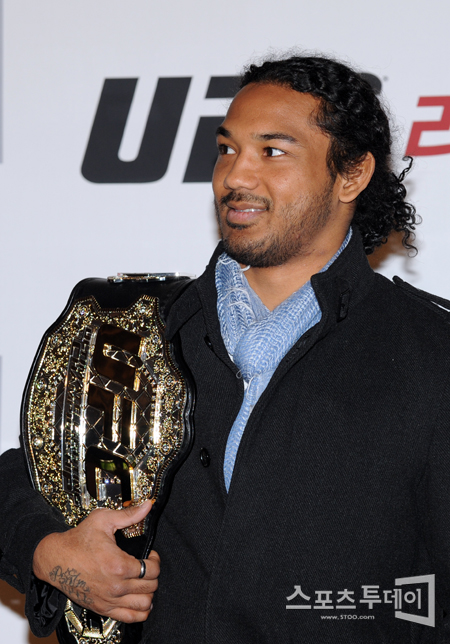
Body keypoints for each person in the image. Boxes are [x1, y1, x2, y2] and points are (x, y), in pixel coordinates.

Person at [1, 52, 450, 643]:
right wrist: (49, 550)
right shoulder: (132, 325)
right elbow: (28, 473)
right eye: (226, 149)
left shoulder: (431, 352)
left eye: (273, 151)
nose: (236, 176)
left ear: (351, 174)